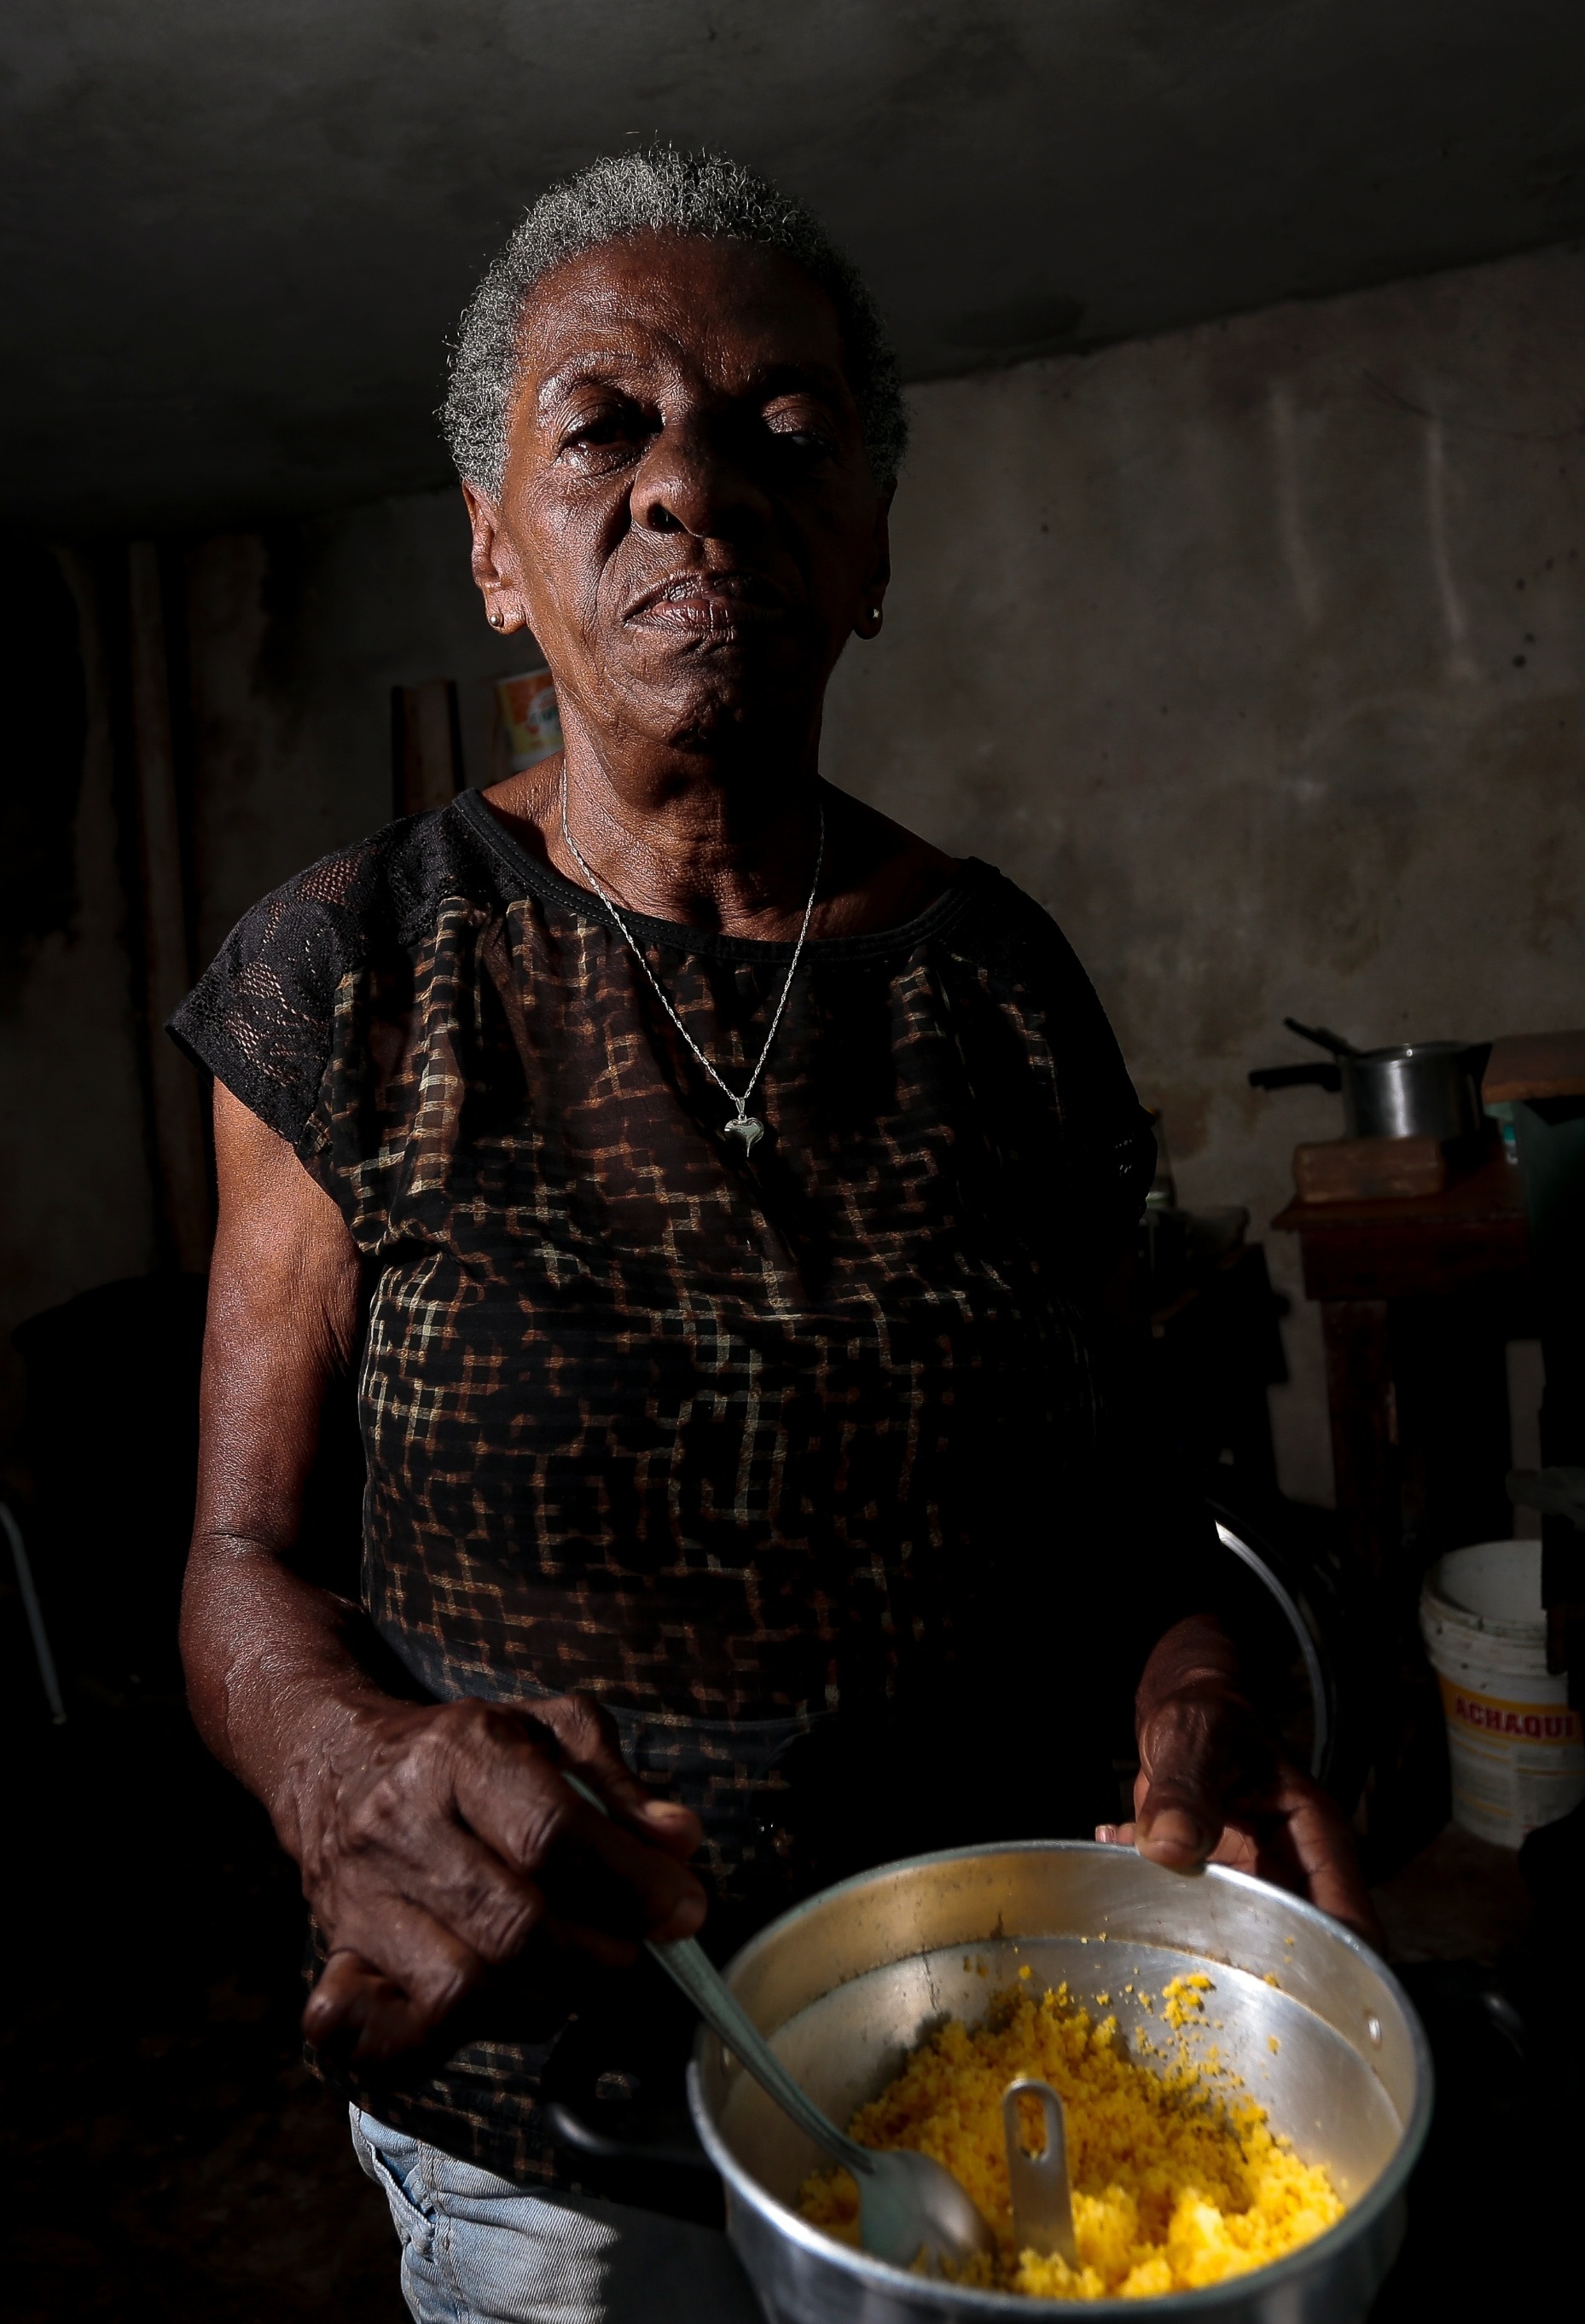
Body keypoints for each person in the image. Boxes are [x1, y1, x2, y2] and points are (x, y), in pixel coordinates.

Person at [172, 147, 1376, 2324]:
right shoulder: (350, 970)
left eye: (783, 431)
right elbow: (242, 1567)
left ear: (873, 551)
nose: (689, 488)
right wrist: (331, 1756)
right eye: (603, 427)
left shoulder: (1000, 985)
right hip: (560, 2111)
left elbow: (1125, 1499)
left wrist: (1198, 1662)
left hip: (988, 2051)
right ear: (491, 553)